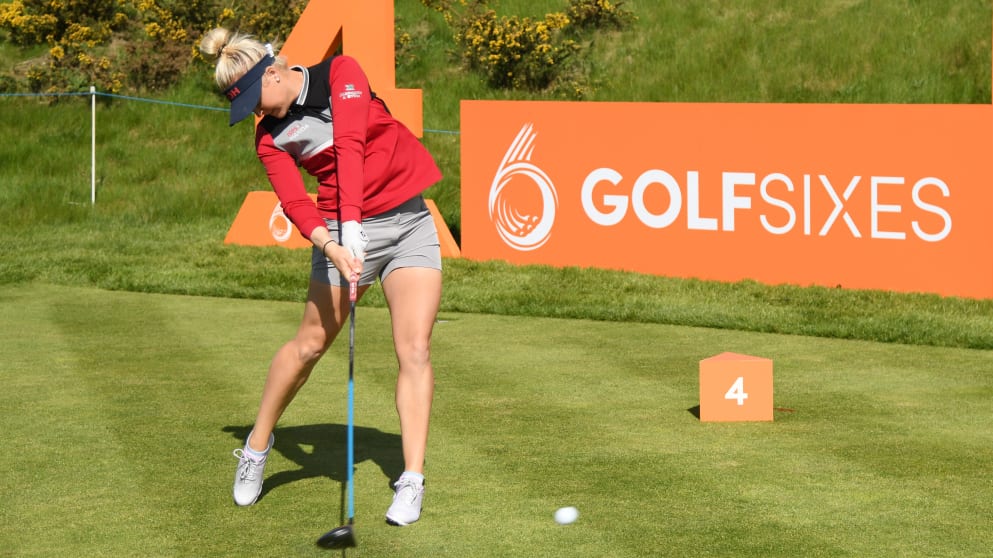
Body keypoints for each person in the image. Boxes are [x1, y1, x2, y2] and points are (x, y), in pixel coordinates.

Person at [199, 27, 442, 527]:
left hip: (408, 222)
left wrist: (352, 221)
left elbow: (351, 143)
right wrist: (333, 243)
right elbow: (293, 201)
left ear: (272, 72)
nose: (259, 114)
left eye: (255, 100)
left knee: (414, 349)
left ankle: (412, 479)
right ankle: (257, 446)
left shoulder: (340, 73)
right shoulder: (269, 137)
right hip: (339, 234)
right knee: (310, 344)